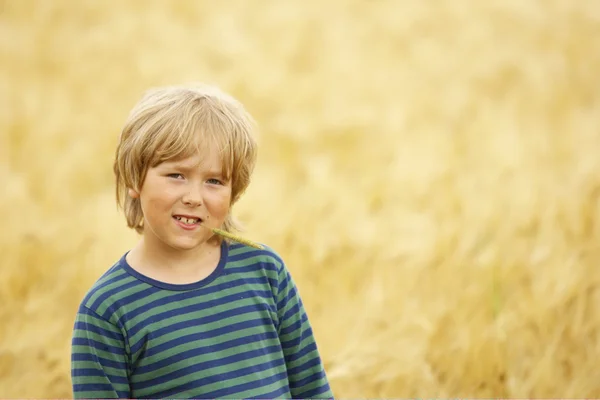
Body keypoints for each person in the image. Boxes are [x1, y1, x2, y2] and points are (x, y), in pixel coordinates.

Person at [70, 82, 333, 399]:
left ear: (233, 192)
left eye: (214, 181)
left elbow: (312, 389)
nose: (194, 198)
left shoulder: (265, 272)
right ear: (134, 179)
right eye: (176, 175)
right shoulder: (107, 310)